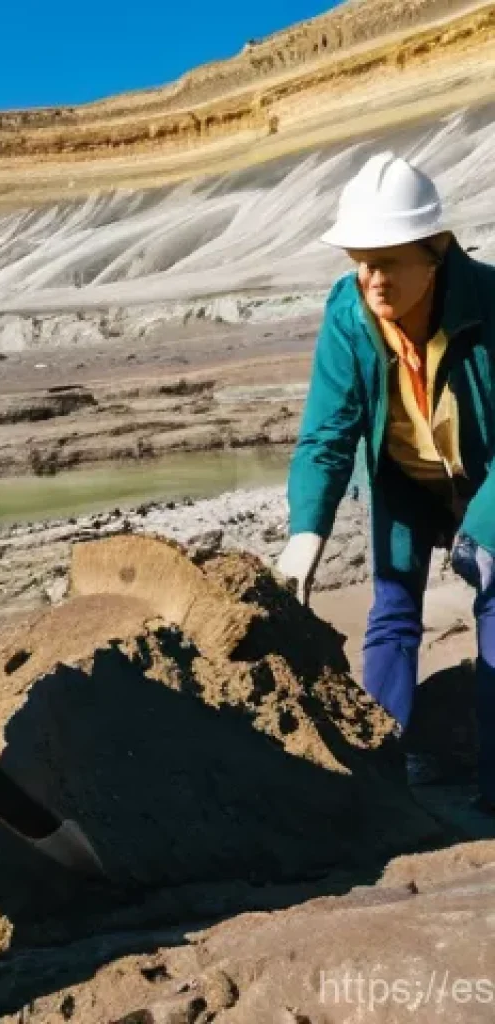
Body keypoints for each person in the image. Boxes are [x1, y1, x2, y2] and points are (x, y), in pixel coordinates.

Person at [277, 151, 495, 814]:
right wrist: (305, 532)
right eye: (358, 260)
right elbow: (328, 433)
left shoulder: (488, 301)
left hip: (487, 471)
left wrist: (482, 534)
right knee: (393, 608)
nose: (370, 277)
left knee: (492, 589)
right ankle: (383, 779)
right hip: (403, 472)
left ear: (434, 251)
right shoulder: (348, 313)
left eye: (387, 261)